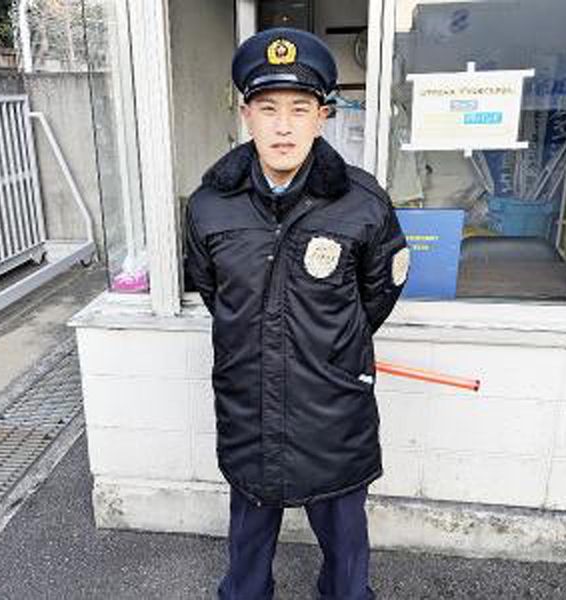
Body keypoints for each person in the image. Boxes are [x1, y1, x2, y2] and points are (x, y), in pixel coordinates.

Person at [184, 27, 409, 600]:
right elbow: (215, 294)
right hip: (250, 407)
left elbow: (377, 295)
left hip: (333, 410)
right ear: (246, 115)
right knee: (247, 551)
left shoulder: (362, 202)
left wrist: (326, 351)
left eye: (299, 109)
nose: (283, 126)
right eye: (268, 109)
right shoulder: (209, 206)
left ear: (322, 117)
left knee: (346, 553)